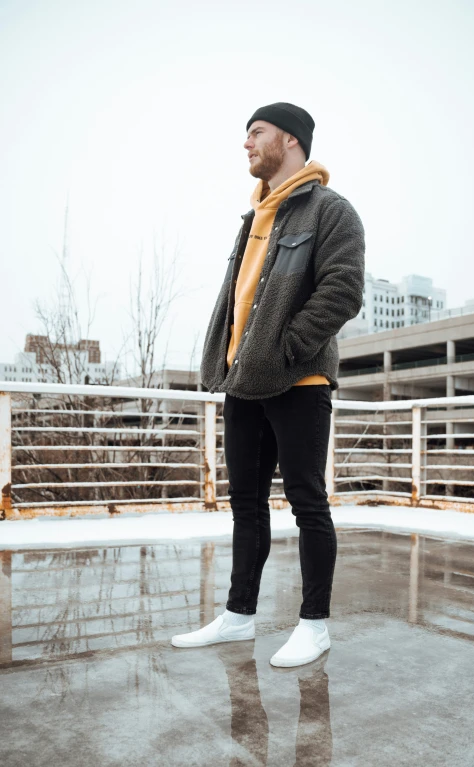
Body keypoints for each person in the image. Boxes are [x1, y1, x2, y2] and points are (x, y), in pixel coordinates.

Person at [172, 102, 365, 666]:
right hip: (244, 384)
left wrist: (285, 350)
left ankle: (315, 624)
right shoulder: (254, 216)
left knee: (308, 502)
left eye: (256, 133)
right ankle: (238, 615)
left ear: (290, 140)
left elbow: (343, 290)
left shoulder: (331, 211)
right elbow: (240, 304)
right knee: (246, 505)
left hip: (299, 379)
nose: (247, 144)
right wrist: (233, 364)